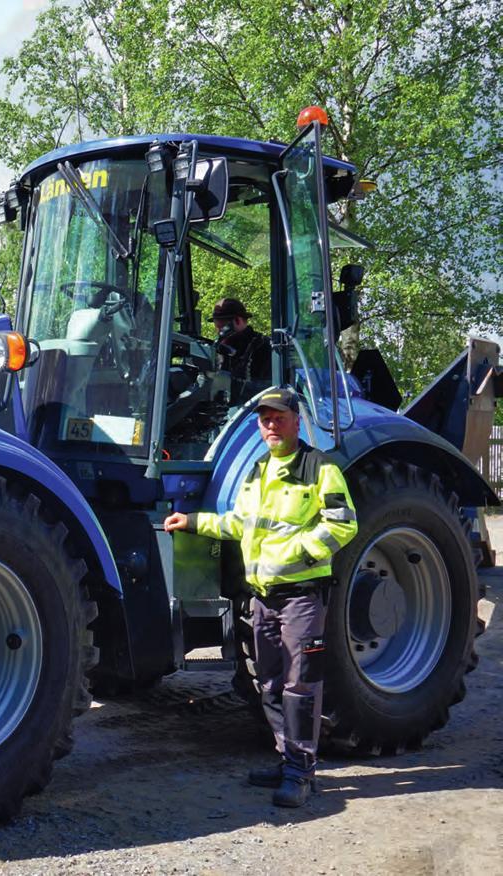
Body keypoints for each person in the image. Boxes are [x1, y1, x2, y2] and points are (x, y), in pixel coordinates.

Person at [163, 387, 357, 807]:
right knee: (268, 683)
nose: (271, 425)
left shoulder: (319, 469)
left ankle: (302, 771)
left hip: (302, 596)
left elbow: (343, 525)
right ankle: (286, 757)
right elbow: (240, 524)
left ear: (296, 421)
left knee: (299, 685)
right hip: (263, 597)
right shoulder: (258, 471)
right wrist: (193, 521)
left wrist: (298, 553)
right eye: (265, 419)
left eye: (279, 417)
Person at [211, 297, 272, 386]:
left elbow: (269, 387)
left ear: (237, 320)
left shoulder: (264, 346)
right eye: (216, 326)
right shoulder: (218, 348)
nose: (218, 331)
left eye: (222, 326)